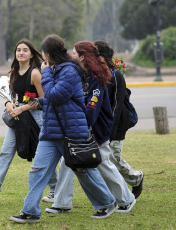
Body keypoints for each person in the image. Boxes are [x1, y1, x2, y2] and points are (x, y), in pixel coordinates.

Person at [10, 34, 117, 224]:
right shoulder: (56, 69)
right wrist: (39, 102)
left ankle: (107, 203)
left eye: (43, 54)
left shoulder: (69, 71)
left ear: (48, 53)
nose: (42, 59)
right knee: (37, 170)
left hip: (71, 131)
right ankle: (31, 211)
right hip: (51, 132)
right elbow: (53, 99)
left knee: (84, 171)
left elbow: (55, 95)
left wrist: (46, 74)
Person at [45, 41, 136, 215]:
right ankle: (62, 203)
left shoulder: (96, 79)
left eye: (74, 53)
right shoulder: (81, 75)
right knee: (67, 160)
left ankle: (127, 199)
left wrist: (83, 125)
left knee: (103, 164)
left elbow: (92, 109)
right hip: (82, 128)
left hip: (97, 130)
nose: (71, 56)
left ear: (82, 56)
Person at [0, 39, 57, 204]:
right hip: (19, 118)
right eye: (18, 50)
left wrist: (22, 108)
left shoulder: (35, 73)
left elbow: (44, 99)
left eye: (25, 50)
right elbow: (11, 96)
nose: (21, 53)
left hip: (38, 118)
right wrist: (8, 104)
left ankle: (55, 189)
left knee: (43, 155)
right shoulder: (13, 73)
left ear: (32, 54)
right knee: (5, 152)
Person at [94, 40, 144, 198]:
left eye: (94, 55)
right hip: (101, 123)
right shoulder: (94, 75)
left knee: (113, 157)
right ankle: (114, 192)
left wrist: (110, 130)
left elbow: (117, 105)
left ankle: (136, 178)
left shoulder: (116, 75)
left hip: (117, 123)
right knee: (103, 159)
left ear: (102, 57)